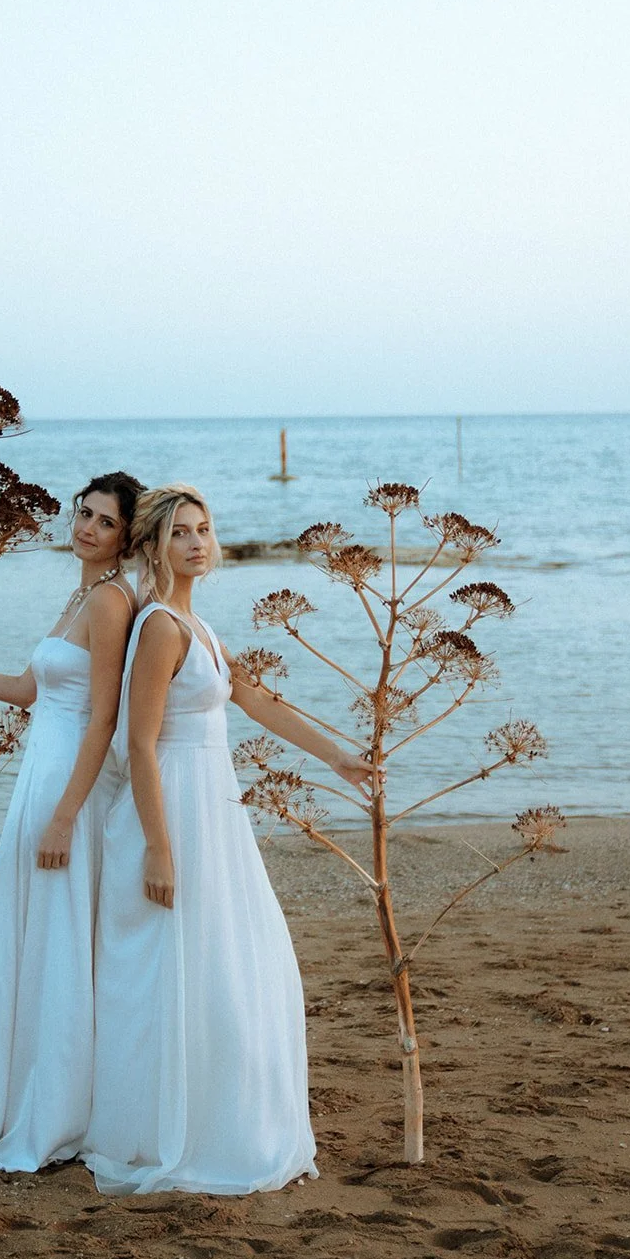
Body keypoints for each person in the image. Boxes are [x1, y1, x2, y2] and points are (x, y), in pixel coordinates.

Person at [82, 484, 372, 1195]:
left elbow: (254, 700)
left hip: (216, 813)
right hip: (171, 814)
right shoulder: (156, 628)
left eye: (204, 530)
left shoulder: (199, 628)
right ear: (152, 546)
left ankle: (226, 1120)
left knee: (236, 967)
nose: (197, 544)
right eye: (180, 533)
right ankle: (164, 1132)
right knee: (173, 973)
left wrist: (336, 756)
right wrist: (157, 847)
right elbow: (138, 745)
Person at [0, 470, 143, 1171]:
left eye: (104, 522)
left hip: (67, 788)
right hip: (41, 775)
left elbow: (102, 719)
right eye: (83, 514)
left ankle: (55, 1109)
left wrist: (65, 816)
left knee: (58, 944)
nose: (86, 528)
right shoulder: (80, 593)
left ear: (127, 537)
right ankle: (20, 1092)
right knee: (27, 940)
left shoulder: (110, 602)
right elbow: (25, 691)